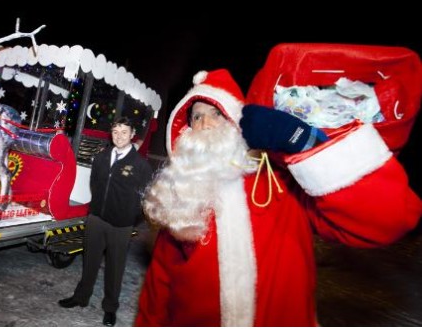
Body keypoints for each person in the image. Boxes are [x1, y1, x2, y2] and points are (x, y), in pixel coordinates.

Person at [135, 69, 422, 326]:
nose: (205, 123)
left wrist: (305, 143)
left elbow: (390, 218)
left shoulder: (281, 181)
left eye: (217, 113)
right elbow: (158, 288)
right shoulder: (184, 199)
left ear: (237, 122)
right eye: (196, 116)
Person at [59, 116, 153, 327]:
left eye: (124, 132)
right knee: (89, 261)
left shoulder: (140, 165)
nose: (119, 136)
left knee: (115, 268)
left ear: (132, 134)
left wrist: (130, 218)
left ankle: (110, 308)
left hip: (120, 225)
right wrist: (95, 209)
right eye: (115, 132)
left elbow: (145, 198)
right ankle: (81, 297)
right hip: (96, 219)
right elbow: (95, 184)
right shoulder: (101, 158)